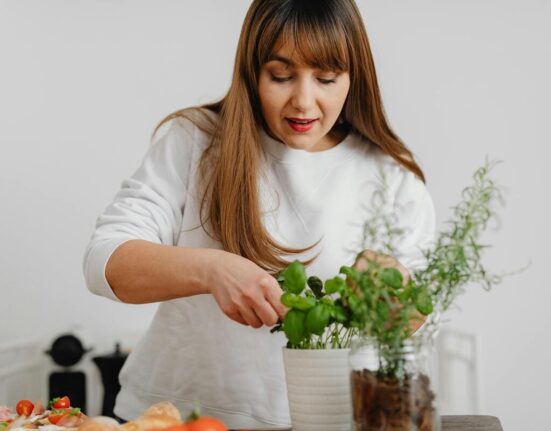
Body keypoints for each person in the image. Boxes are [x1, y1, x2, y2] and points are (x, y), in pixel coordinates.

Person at [83, 0, 435, 428]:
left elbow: (421, 316)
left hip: (328, 419)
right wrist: (212, 270)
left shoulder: (390, 173)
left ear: (353, 76)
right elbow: (105, 261)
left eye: (326, 78)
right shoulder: (194, 141)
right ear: (252, 72)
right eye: (281, 75)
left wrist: (395, 290)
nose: (304, 101)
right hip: (173, 415)